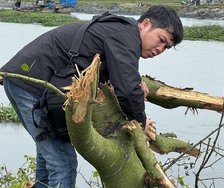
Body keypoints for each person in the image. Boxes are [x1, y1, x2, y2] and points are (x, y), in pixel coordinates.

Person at [0, 5, 183, 188]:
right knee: (63, 162)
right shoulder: (126, 35)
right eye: (161, 39)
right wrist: (141, 122)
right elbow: (127, 89)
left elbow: (117, 77)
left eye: (166, 47)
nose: (160, 49)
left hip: (26, 83)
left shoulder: (119, 30)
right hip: (30, 86)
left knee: (49, 160)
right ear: (145, 24)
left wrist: (133, 84)